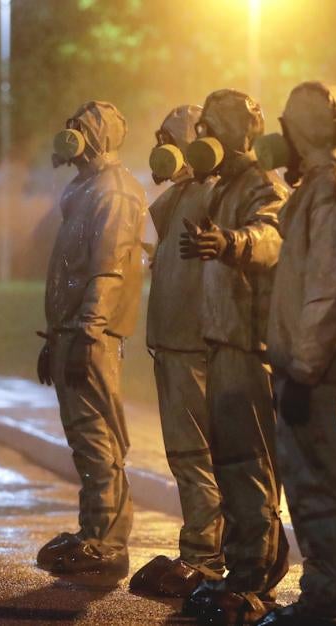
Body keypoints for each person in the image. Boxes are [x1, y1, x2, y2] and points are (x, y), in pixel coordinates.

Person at [256, 81, 336, 625]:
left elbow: (331, 291)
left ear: (301, 130)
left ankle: (334, 603)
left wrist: (303, 372)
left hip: (314, 373)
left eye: (285, 126)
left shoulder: (335, 195)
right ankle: (334, 597)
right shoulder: (317, 190)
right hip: (303, 369)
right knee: (311, 484)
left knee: (324, 483)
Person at [176, 89, 289, 625]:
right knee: (229, 465)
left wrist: (229, 243)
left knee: (250, 467)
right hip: (221, 345)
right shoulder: (222, 187)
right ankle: (243, 568)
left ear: (241, 131)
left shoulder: (264, 185)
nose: (206, 140)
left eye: (214, 127)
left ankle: (255, 577)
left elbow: (271, 239)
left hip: (249, 350)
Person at [36, 100, 147, 576]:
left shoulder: (115, 193)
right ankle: (93, 531)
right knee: (84, 437)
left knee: (98, 437)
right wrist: (55, 339)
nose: (70, 135)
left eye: (79, 128)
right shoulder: (87, 188)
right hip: (73, 332)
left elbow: (107, 271)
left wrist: (85, 334)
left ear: (97, 134)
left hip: (91, 335)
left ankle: (107, 540)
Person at [128, 104, 225, 598]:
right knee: (190, 454)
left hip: (191, 345)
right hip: (174, 344)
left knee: (195, 454)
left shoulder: (212, 196)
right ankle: (203, 549)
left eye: (170, 138)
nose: (160, 147)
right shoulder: (183, 196)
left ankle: (204, 557)